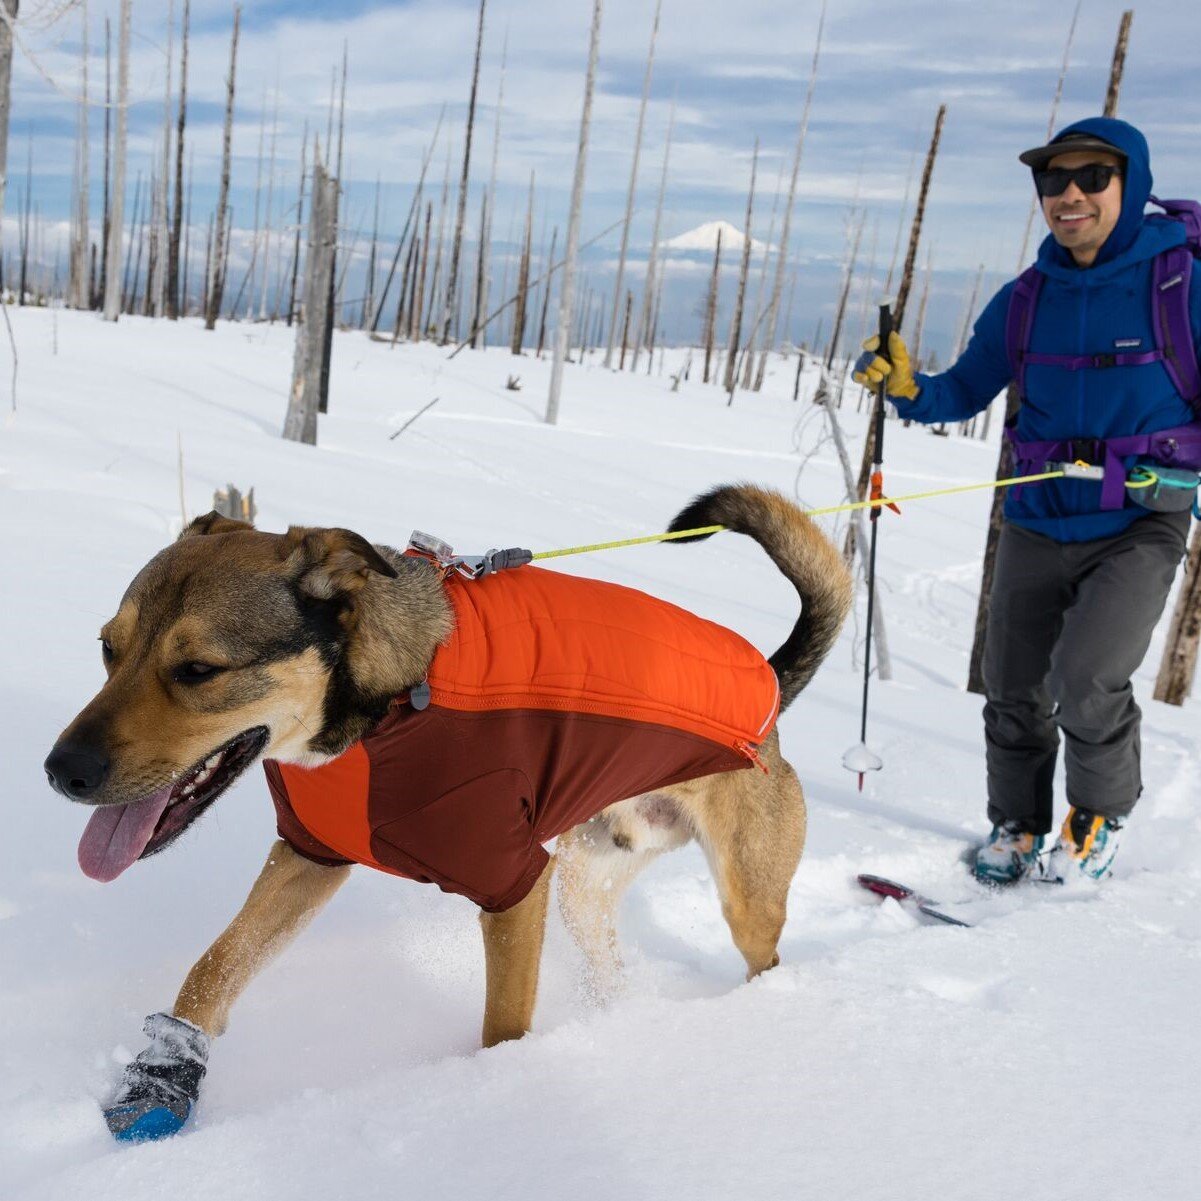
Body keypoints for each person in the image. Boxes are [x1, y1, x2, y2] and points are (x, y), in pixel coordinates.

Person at [853, 116, 1201, 885]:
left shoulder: (1181, 284)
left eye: (1090, 178)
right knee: (1010, 684)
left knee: (1087, 675)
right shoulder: (1026, 298)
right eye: (1052, 180)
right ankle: (1015, 823)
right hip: (1037, 519)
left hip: (1139, 523)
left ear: (1130, 183)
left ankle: (1096, 814)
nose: (1068, 195)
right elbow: (958, 390)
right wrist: (905, 386)